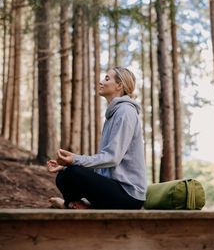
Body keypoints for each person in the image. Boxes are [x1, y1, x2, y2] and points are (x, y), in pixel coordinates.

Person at [47, 66, 147, 209]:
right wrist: (66, 165)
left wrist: (75, 160)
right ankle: (79, 205)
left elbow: (112, 158)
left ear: (119, 85)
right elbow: (104, 167)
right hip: (113, 186)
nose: (101, 82)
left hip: (129, 195)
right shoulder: (113, 115)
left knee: (73, 172)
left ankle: (70, 205)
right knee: (64, 175)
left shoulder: (126, 112)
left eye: (107, 78)